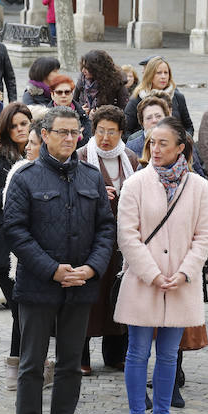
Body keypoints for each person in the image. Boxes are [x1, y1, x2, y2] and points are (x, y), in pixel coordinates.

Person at [3, 106, 115, 414]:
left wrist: (92, 268)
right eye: (62, 132)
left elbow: (105, 229)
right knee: (32, 363)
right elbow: (16, 233)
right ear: (45, 135)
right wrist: (52, 269)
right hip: (38, 286)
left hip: (80, 286)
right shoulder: (25, 178)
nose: (69, 139)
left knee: (70, 363)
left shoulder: (91, 177)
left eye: (74, 133)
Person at [115, 116, 208, 414]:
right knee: (138, 353)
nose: (155, 149)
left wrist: (185, 272)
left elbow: (204, 235)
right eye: (152, 143)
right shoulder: (136, 183)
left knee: (170, 355)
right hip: (145, 281)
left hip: (181, 283)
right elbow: (127, 235)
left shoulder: (198, 186)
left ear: (180, 148)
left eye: (163, 144)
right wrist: (152, 274)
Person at [77, 105, 139, 374]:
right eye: (100, 131)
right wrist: (97, 192)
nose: (105, 137)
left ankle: (115, 354)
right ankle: (81, 357)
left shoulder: (131, 158)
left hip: (123, 236)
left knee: (119, 293)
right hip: (90, 235)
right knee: (89, 295)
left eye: (111, 132)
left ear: (121, 133)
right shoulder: (81, 157)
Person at [0, 103, 34, 389]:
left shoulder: (40, 152)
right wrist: (16, 187)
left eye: (25, 123)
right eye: (15, 125)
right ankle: (19, 367)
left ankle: (24, 365)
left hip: (32, 242)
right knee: (18, 307)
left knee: (27, 308)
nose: (21, 129)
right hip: (4, 243)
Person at [124, 56, 191, 136]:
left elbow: (188, 127)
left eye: (166, 72)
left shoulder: (178, 97)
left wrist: (181, 140)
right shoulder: (136, 99)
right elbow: (126, 131)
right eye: (158, 73)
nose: (163, 76)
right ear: (149, 75)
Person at [75, 50, 129, 120]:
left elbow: (124, 111)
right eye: (82, 67)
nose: (83, 70)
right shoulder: (82, 80)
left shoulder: (116, 84)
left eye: (87, 68)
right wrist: (80, 111)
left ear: (97, 69)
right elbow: (73, 103)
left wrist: (101, 115)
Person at [48, 73, 92, 147]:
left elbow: (88, 143)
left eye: (67, 92)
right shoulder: (44, 116)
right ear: (52, 95)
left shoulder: (83, 116)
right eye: (59, 92)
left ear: (72, 94)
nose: (63, 95)